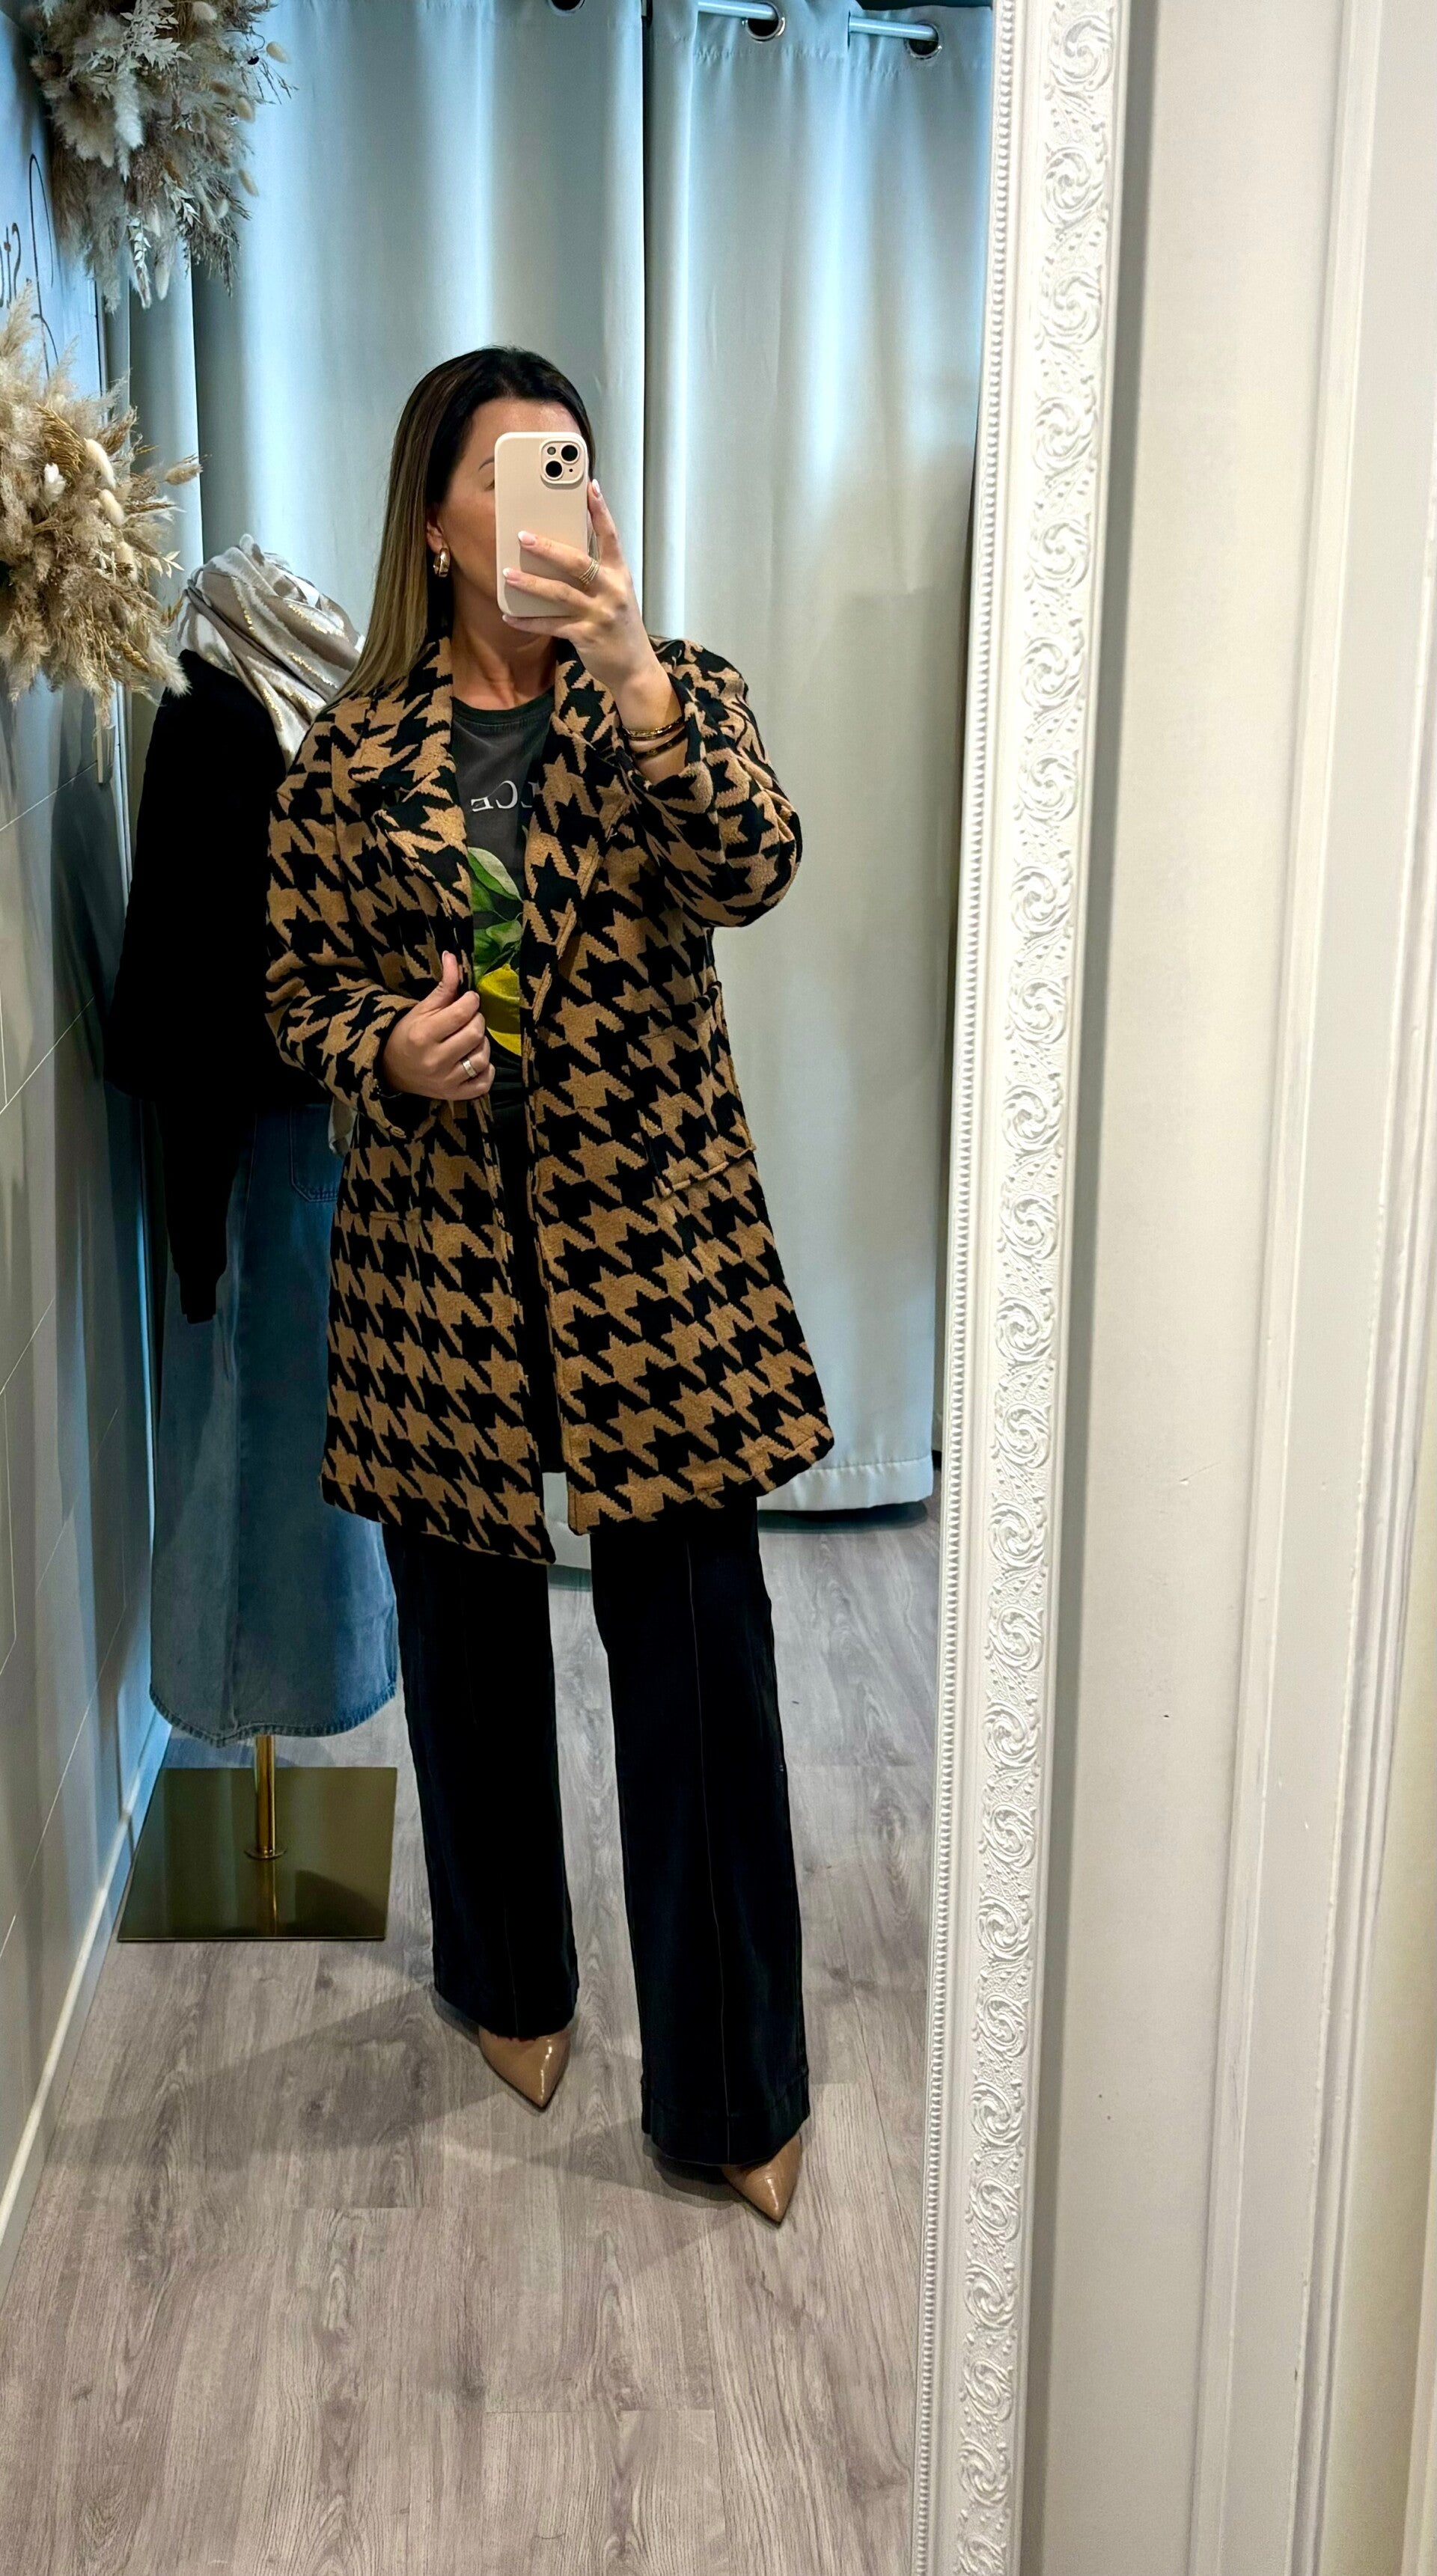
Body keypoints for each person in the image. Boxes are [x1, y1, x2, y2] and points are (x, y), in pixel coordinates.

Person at [263, 346, 833, 2224]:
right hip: (438, 1262)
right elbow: (295, 991)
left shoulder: (679, 696)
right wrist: (383, 1050)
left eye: (570, 467)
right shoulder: (347, 757)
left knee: (700, 1670)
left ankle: (735, 2088)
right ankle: (508, 1980)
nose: (548, 504)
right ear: (436, 522)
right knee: (468, 1658)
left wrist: (641, 681)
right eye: (510, 474)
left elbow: (753, 868)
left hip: (652, 1253)